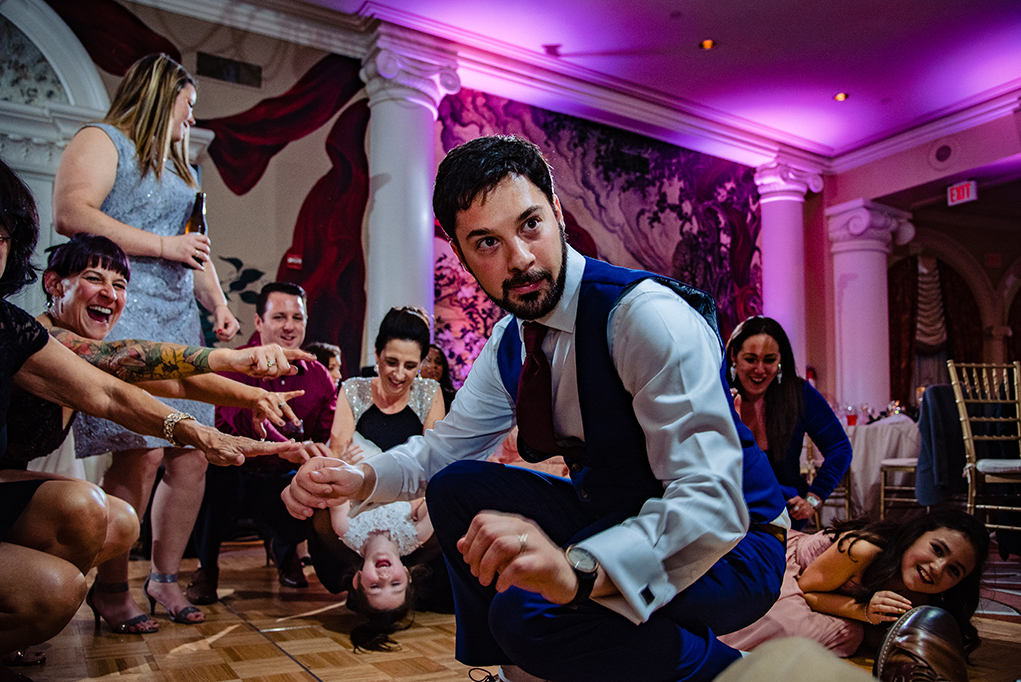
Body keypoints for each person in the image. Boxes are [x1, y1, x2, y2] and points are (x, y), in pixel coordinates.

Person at [284, 135, 789, 682]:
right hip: (615, 510)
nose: (520, 259)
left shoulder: (644, 318)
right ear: (461, 254)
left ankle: (729, 671)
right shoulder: (510, 343)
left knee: (528, 610)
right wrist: (356, 478)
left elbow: (712, 502)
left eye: (529, 225)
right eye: (487, 243)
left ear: (557, 212)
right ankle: (514, 672)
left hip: (738, 544)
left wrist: (578, 571)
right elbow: (442, 451)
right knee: (457, 487)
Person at [0, 160, 299, 674]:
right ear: (54, 283)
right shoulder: (42, 333)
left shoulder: (35, 331)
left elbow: (176, 381)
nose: (110, 294)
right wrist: (228, 368)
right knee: (89, 511)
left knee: (116, 521)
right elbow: (118, 382)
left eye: (120, 284)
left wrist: (252, 396)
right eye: (93, 278)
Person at [52, 53, 241, 629]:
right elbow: (70, 212)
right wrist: (162, 249)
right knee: (143, 451)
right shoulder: (104, 140)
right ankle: (111, 587)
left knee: (192, 455)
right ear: (164, 93)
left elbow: (197, 248)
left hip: (180, 318)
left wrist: (220, 305)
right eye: (190, 104)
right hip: (122, 312)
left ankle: (163, 578)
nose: (192, 116)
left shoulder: (186, 172)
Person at [187, 282, 337, 604]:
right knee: (214, 473)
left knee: (321, 476)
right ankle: (207, 568)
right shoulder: (235, 363)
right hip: (238, 472)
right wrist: (292, 446)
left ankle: (287, 552)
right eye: (279, 316)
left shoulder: (319, 376)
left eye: (297, 317)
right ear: (258, 322)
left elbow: (323, 435)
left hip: (284, 476)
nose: (289, 326)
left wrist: (317, 453)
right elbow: (234, 420)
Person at [309, 307, 446, 647]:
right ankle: (361, 579)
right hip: (359, 493)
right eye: (391, 362)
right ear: (377, 354)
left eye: (411, 366)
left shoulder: (430, 393)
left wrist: (423, 495)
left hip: (410, 498)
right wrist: (347, 464)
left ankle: (401, 590)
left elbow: (436, 457)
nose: (399, 374)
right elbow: (338, 451)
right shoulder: (353, 389)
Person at [719, 509, 988, 660]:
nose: (937, 568)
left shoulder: (926, 599)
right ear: (916, 535)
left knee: (856, 635)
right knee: (787, 625)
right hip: (794, 569)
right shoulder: (864, 549)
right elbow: (807, 588)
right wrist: (864, 611)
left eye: (953, 570)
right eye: (937, 550)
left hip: (828, 598)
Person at [726, 316, 852, 530]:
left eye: (769, 360)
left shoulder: (798, 394)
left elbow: (840, 449)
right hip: (728, 514)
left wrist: (814, 498)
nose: (759, 369)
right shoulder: (718, 394)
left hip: (784, 518)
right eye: (750, 359)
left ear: (780, 361)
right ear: (734, 357)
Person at [420, 343, 457, 413]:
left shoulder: (453, 400)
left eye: (438, 362)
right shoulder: (406, 395)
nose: (434, 366)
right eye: (427, 361)